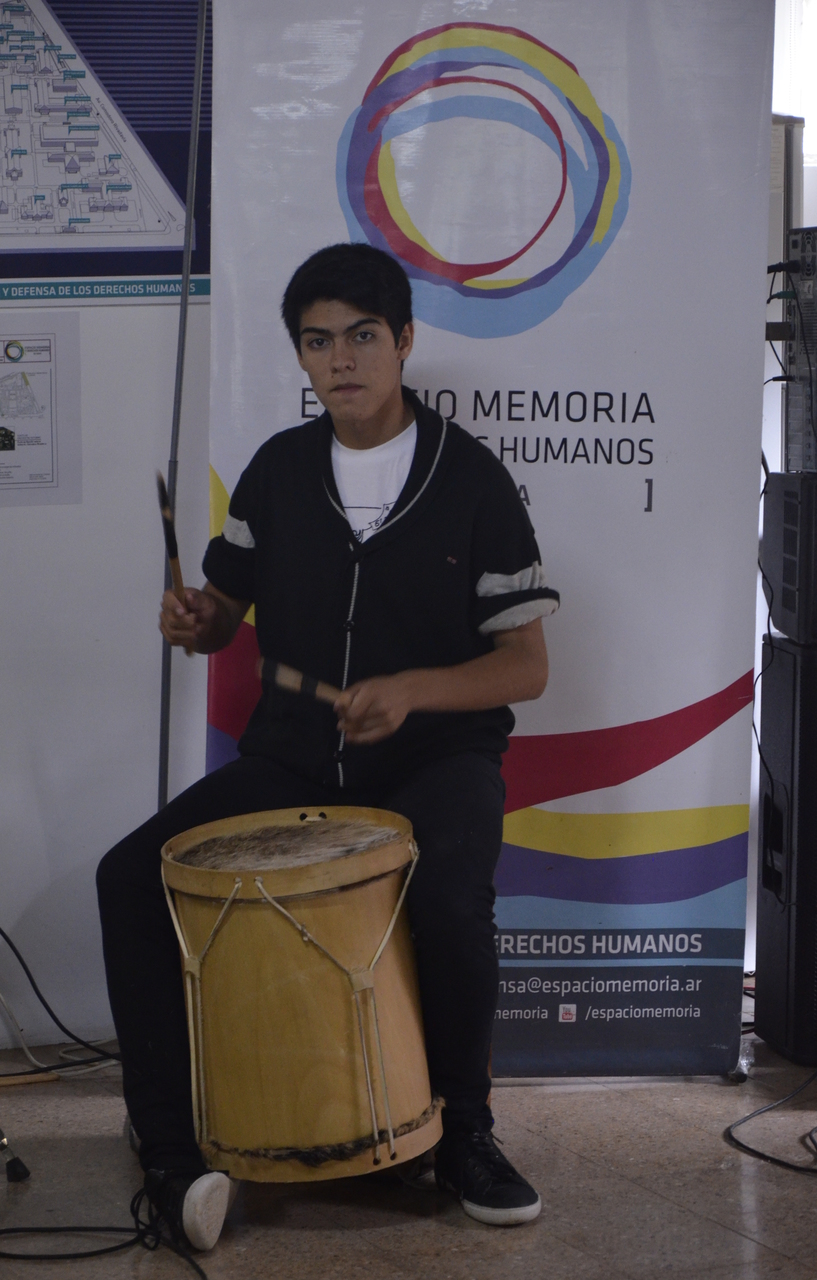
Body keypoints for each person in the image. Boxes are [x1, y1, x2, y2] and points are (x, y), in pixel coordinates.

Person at [97, 243, 559, 1252]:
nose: (340, 359)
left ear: (404, 340)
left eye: (361, 335)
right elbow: (225, 613)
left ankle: (465, 1133)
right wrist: (197, 619)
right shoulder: (276, 470)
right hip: (296, 757)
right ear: (301, 355)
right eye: (317, 341)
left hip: (439, 759)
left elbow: (524, 665)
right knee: (130, 874)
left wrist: (412, 691)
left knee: (449, 895)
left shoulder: (472, 479)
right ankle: (172, 1152)